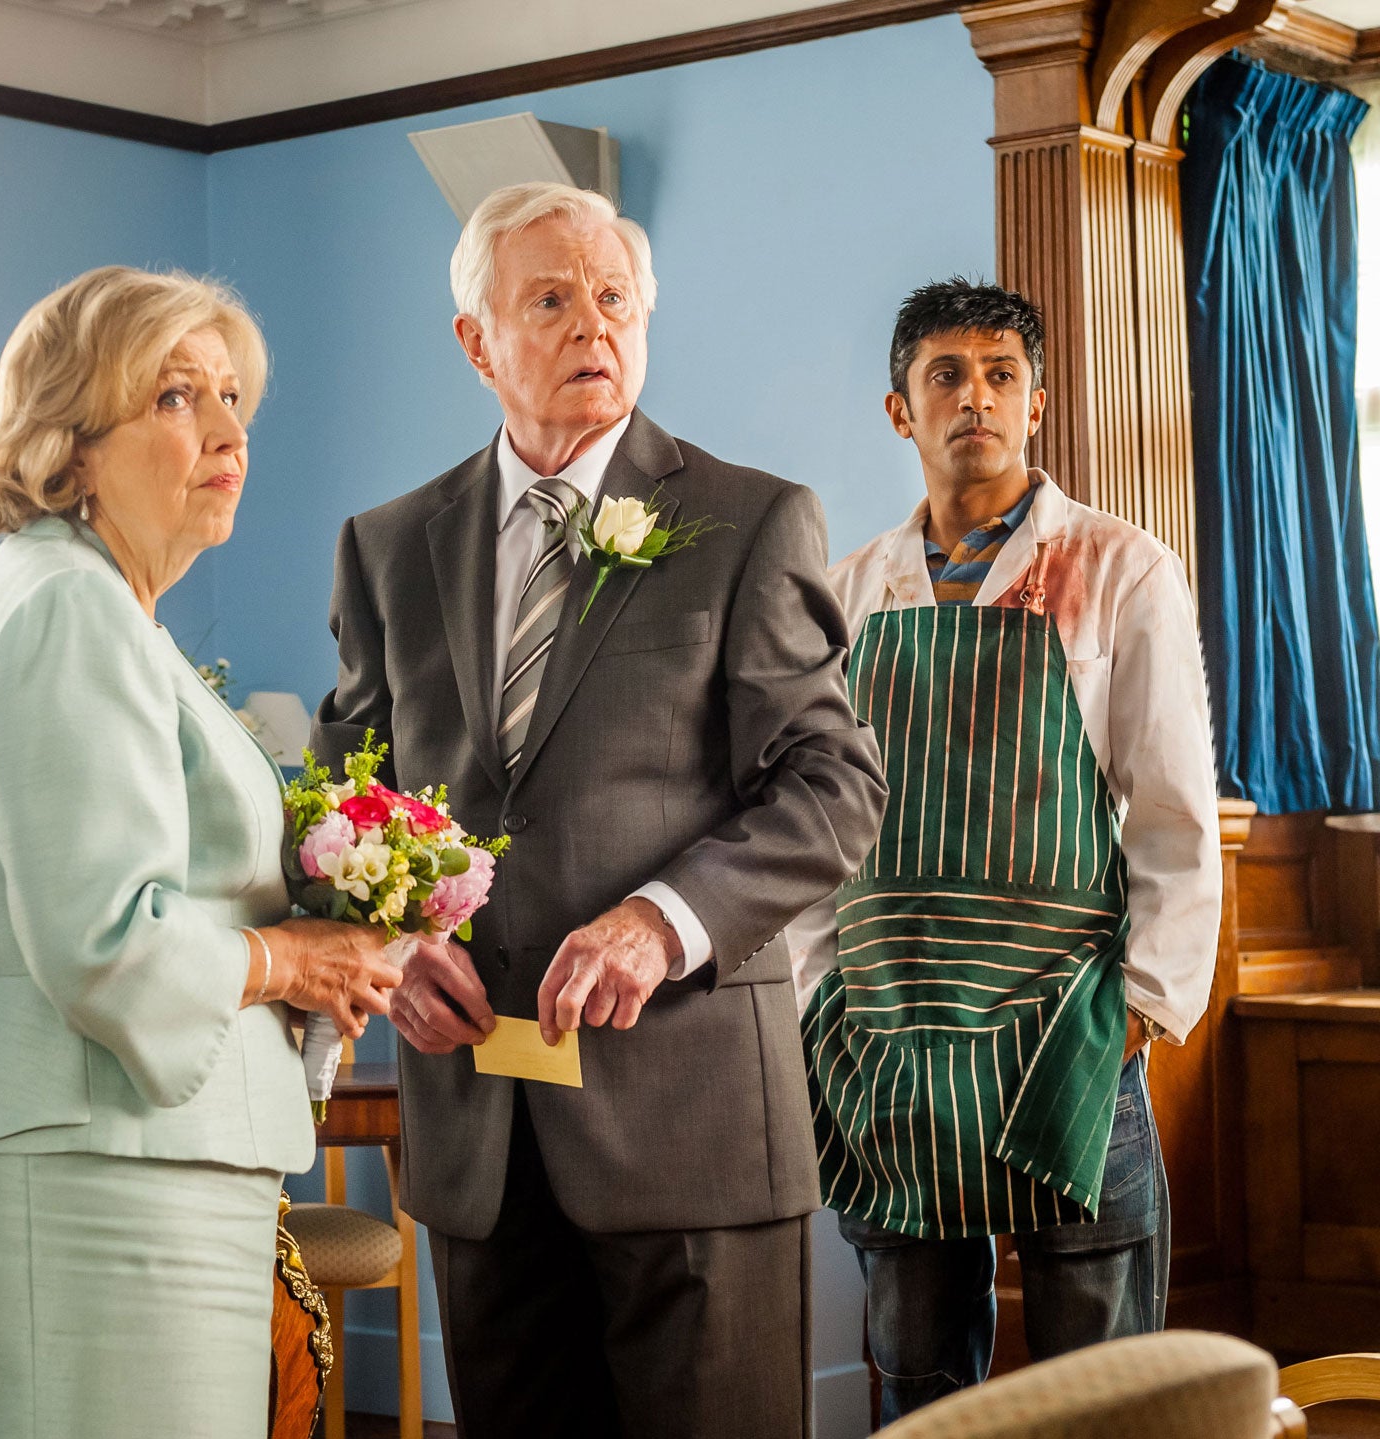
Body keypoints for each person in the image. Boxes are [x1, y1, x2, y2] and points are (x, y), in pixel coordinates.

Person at [311, 182, 888, 1438]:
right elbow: (345, 800)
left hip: (689, 1126)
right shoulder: (389, 543)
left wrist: (660, 920)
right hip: (475, 1135)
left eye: (614, 298)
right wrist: (391, 947)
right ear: (476, 341)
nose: (593, 326)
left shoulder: (747, 520)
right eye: (553, 300)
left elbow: (831, 783)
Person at [0, 266, 401, 1439]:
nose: (225, 431)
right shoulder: (66, 604)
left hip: (119, 1152)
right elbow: (103, 936)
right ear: (70, 437)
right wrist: (286, 962)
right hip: (76, 1173)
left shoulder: (104, 610)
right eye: (174, 397)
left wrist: (314, 971)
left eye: (229, 398)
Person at [790, 279, 1221, 1423]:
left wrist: (1130, 1014)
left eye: (998, 375)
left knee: (1102, 1388)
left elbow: (1175, 817)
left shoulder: (1123, 571)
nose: (971, 397)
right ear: (898, 410)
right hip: (887, 1036)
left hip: (1068, 1032)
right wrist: (819, 996)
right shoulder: (843, 596)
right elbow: (810, 823)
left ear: (1035, 404)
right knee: (919, 1376)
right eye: (943, 375)